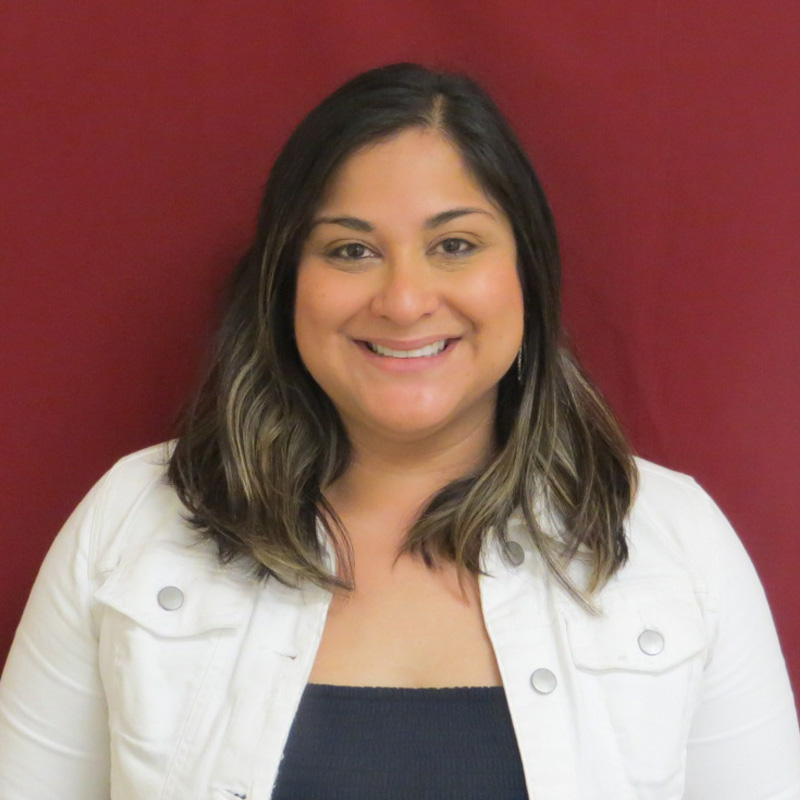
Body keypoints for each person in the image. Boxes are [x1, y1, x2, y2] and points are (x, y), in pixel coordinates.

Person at [0, 62, 798, 800]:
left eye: (454, 245)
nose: (405, 300)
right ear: (287, 282)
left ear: (526, 271)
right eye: (351, 250)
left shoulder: (674, 541)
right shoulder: (134, 522)